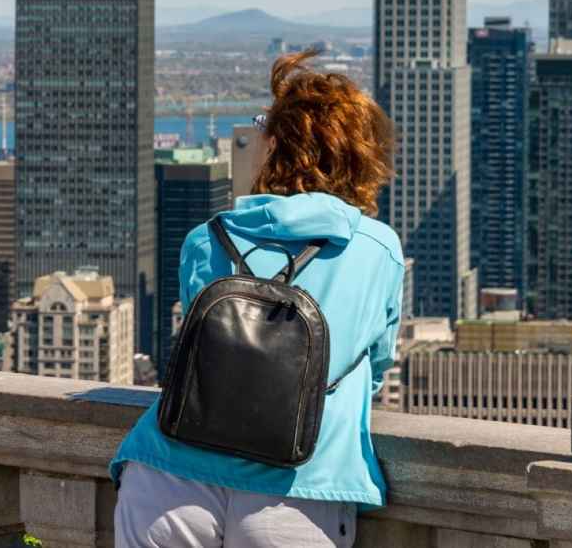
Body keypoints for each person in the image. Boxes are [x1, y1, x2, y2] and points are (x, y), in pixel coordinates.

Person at [111, 51, 405, 548]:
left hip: (167, 474)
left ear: (275, 147)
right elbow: (375, 365)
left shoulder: (207, 237)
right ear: (362, 156)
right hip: (297, 486)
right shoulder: (378, 249)